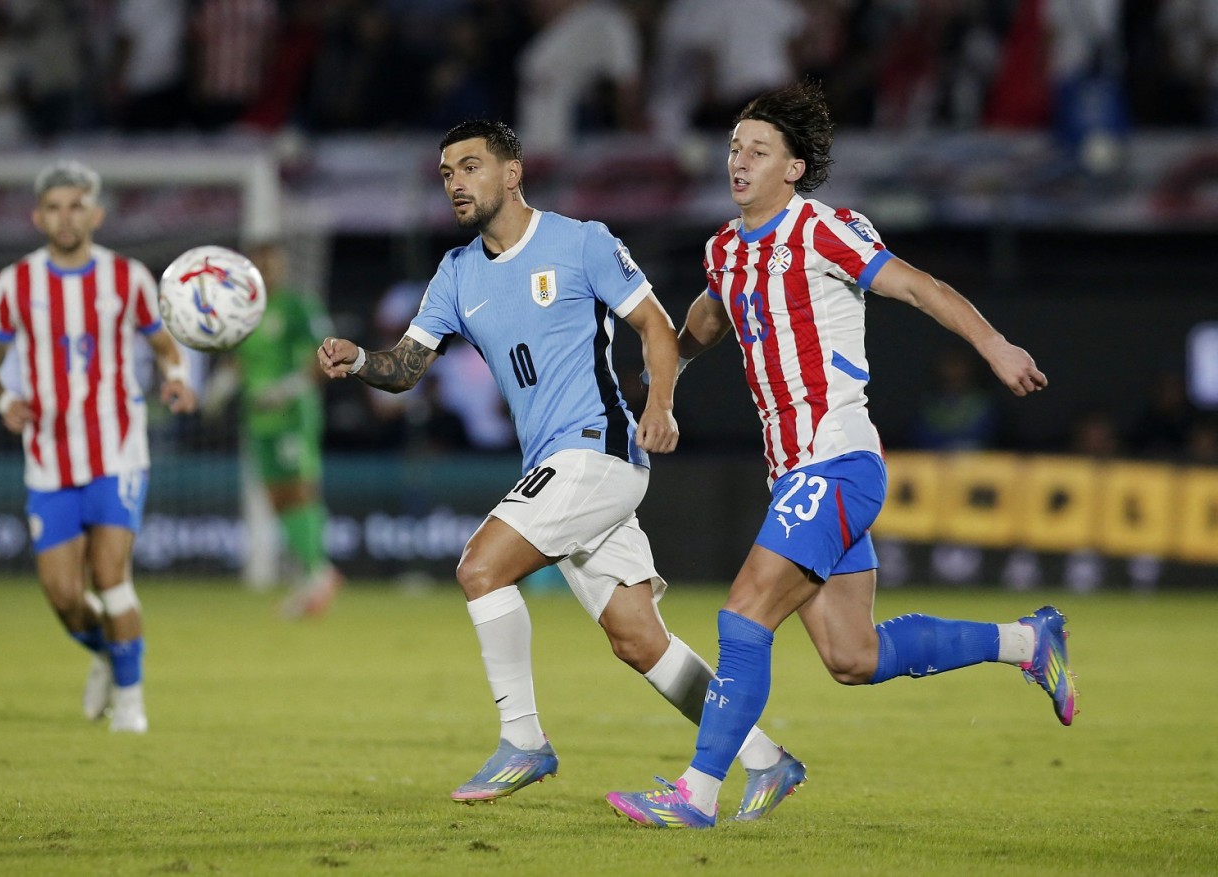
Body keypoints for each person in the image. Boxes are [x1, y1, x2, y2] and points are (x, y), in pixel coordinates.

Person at [605, 83, 1075, 830]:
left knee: (744, 609)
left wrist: (994, 343)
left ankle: (696, 792)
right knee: (853, 654)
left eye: (758, 151)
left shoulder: (824, 230)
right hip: (797, 472)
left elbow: (918, 287)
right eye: (734, 148)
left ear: (793, 168)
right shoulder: (725, 251)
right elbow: (693, 329)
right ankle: (1026, 640)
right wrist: (658, 387)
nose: (739, 161)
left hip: (838, 459)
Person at [319, 119, 801, 817]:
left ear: (511, 174)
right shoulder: (456, 274)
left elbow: (657, 327)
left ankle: (523, 739)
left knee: (479, 566)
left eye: (471, 167)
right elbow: (406, 369)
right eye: (447, 172)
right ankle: (766, 758)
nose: (456, 182)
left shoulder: (581, 242)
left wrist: (660, 404)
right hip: (559, 462)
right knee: (638, 637)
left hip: (597, 448)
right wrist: (360, 359)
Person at [0, 160, 198, 733]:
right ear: (37, 216)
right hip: (49, 459)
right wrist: (3, 401)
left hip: (118, 451)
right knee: (65, 597)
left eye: (76, 206)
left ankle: (130, 704)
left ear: (95, 214)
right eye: (55, 207)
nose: (65, 217)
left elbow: (164, 344)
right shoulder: (13, 285)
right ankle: (105, 654)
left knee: (110, 576)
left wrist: (175, 377)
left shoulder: (126, 279)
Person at [232, 241, 344, 617]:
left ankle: (319, 572)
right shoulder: (244, 312)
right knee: (277, 498)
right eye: (259, 262)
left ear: (281, 266)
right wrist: (220, 387)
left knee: (300, 491)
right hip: (257, 419)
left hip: (293, 416)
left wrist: (286, 390)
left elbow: (326, 355)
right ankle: (314, 571)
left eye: (272, 262)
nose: (266, 269)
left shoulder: (297, 306)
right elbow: (239, 360)